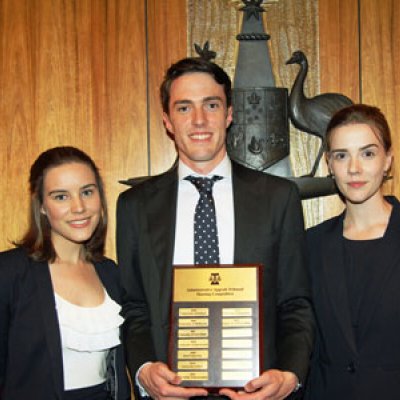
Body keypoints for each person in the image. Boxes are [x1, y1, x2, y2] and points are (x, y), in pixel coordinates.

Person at [117, 57, 314, 400]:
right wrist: (145, 370)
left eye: (211, 104)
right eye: (183, 108)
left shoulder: (279, 197)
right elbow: (133, 306)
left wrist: (288, 375)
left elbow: (295, 303)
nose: (199, 120)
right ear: (167, 120)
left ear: (229, 114)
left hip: (255, 393)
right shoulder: (135, 206)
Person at [0, 146, 131, 400]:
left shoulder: (110, 273)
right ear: (41, 206)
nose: (79, 207)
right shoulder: (9, 273)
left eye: (87, 192)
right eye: (61, 197)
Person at [304, 104, 399, 399]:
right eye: (342, 155)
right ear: (330, 165)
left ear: (387, 161)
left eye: (367, 153)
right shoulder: (310, 245)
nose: (354, 168)